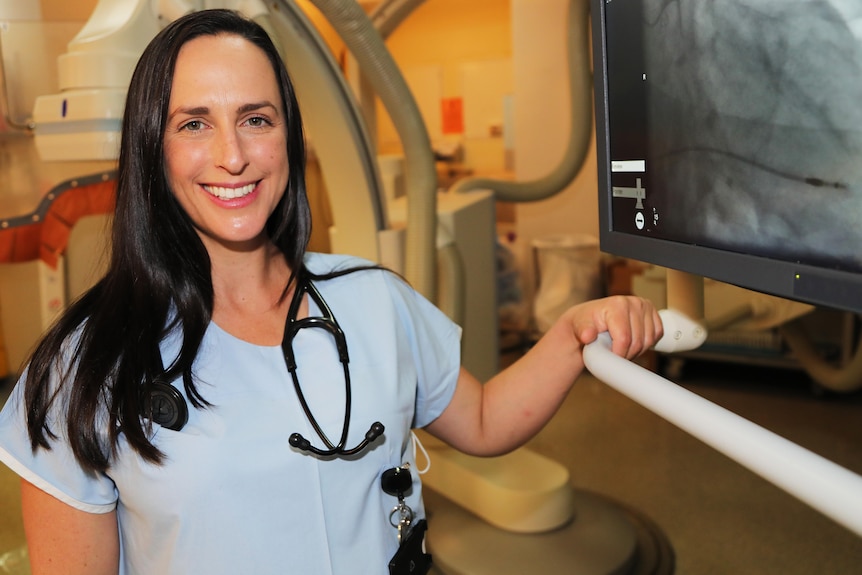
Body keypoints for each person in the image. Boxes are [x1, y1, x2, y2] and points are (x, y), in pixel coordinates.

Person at [0, 9, 663, 575]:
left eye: (256, 119)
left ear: (288, 136)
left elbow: (485, 419)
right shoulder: (82, 366)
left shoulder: (375, 301)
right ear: (153, 147)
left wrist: (574, 333)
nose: (233, 154)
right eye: (194, 123)